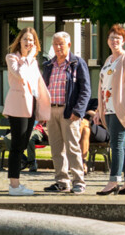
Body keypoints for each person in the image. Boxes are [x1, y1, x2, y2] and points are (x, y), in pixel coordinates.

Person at [1, 28, 51, 196]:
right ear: (19, 41)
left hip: (31, 106)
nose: (29, 43)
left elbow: (37, 84)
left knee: (22, 144)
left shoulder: (33, 62)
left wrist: (42, 108)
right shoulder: (12, 58)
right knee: (17, 146)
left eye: (32, 40)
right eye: (26, 40)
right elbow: (20, 75)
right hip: (18, 107)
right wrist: (28, 57)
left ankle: (16, 183)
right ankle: (14, 185)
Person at [39, 32, 91, 194]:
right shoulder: (48, 65)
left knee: (72, 148)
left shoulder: (77, 63)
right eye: (55, 44)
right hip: (51, 111)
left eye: (61, 44)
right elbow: (42, 89)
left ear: (69, 45)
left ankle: (78, 181)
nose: (58, 47)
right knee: (56, 148)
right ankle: (62, 181)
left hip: (69, 112)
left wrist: (78, 110)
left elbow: (85, 90)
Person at [95, 24, 125, 195]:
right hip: (108, 108)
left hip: (122, 108)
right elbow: (102, 85)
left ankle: (114, 180)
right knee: (121, 144)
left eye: (118, 38)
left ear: (123, 41)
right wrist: (100, 110)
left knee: (116, 145)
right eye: (112, 37)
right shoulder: (108, 60)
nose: (114, 41)